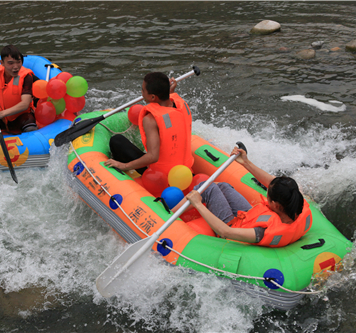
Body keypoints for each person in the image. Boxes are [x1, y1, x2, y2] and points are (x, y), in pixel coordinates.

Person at [172, 146, 312, 248]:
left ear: (275, 204)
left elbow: (226, 232)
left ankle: (168, 213)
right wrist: (245, 162)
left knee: (207, 188)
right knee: (224, 186)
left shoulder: (262, 232)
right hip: (247, 217)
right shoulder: (296, 202)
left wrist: (197, 204)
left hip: (231, 227)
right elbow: (273, 183)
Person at [104, 72, 193, 176]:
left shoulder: (150, 119)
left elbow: (153, 157)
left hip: (160, 175)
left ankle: (124, 173)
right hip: (184, 170)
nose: (142, 92)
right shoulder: (181, 104)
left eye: (143, 90)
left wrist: (124, 165)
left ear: (153, 97)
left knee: (117, 140)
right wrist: (170, 91)